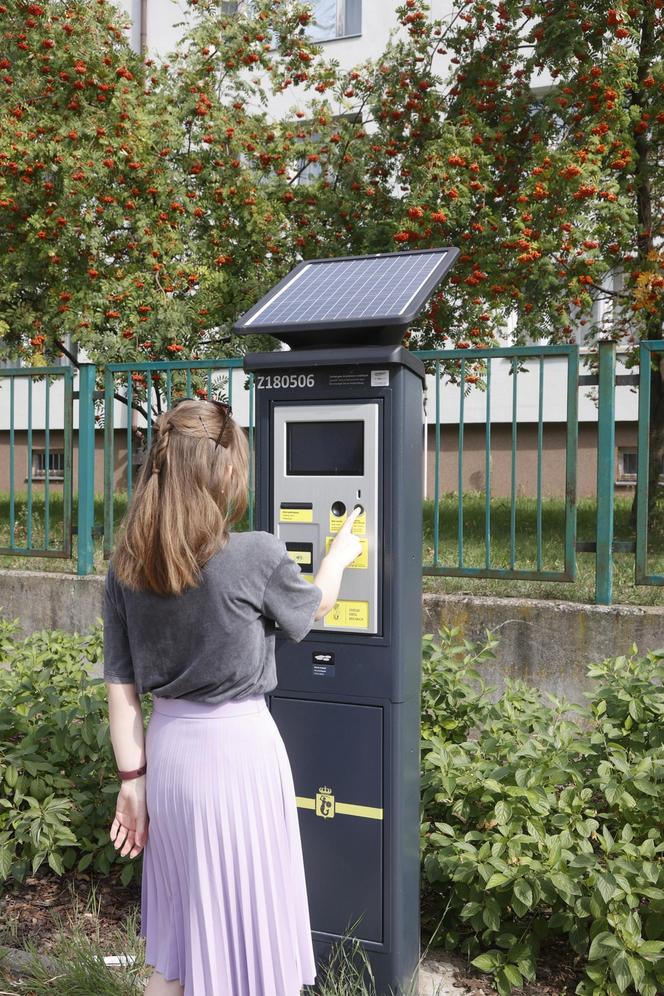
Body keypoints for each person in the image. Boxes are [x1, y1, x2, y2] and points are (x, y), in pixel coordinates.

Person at [103, 397, 362, 996]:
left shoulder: (125, 568)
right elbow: (313, 608)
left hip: (169, 756)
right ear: (221, 470)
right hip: (240, 754)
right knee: (252, 927)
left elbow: (121, 689)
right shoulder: (256, 555)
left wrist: (132, 783)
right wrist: (340, 558)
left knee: (178, 944)